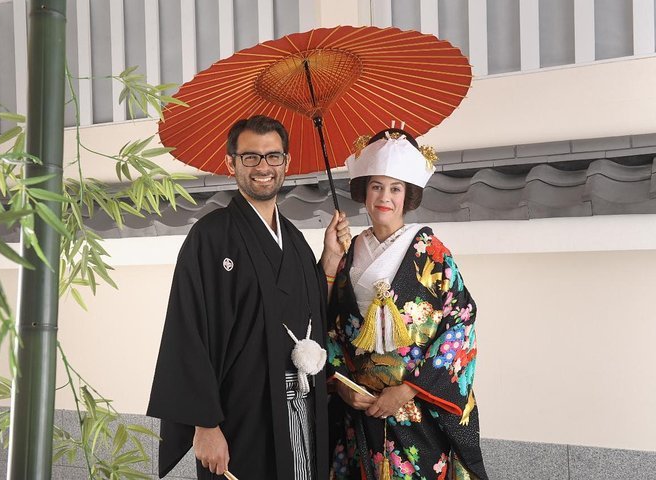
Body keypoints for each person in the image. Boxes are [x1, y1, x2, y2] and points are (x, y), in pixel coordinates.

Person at [147, 115, 350, 479]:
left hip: (303, 404)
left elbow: (312, 312)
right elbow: (187, 330)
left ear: (286, 163)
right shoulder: (210, 237)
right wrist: (205, 426)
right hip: (240, 413)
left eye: (273, 157)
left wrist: (330, 259)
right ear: (232, 163)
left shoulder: (296, 241)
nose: (263, 167)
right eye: (250, 157)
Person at [326, 128, 488, 479]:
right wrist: (341, 384)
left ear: (408, 195)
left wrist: (408, 389)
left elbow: (460, 323)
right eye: (376, 186)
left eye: (395, 188)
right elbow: (333, 327)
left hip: (417, 406)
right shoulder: (349, 252)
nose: (385, 197)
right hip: (363, 407)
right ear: (364, 191)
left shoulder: (431, 252)